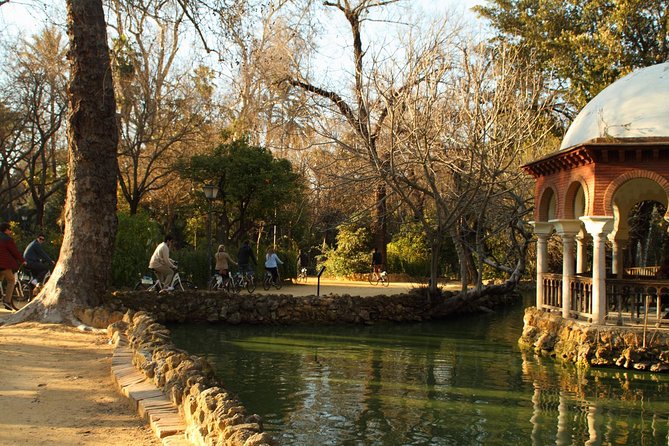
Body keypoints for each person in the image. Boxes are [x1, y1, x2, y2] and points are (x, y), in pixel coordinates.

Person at [0, 222, 25, 310]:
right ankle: (7, 301)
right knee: (11, 281)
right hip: (4, 265)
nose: (10, 231)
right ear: (6, 230)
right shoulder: (7, 239)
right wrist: (22, 260)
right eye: (10, 229)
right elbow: (14, 252)